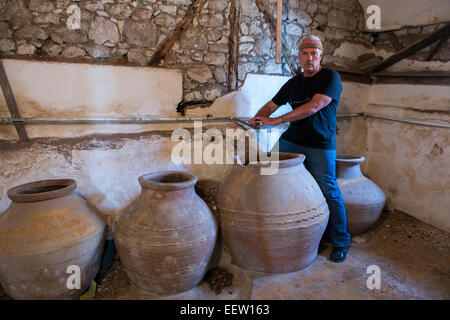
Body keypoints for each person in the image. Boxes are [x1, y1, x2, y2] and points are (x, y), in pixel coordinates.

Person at [248, 35, 351, 263]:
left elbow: (314, 106)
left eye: (314, 53)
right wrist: (258, 117)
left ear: (321, 55)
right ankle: (279, 230)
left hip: (319, 144)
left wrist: (277, 120)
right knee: (267, 171)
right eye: (305, 53)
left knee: (329, 190)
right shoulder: (294, 82)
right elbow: (271, 104)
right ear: (300, 56)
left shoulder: (330, 77)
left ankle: (340, 242)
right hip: (292, 139)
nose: (309, 58)